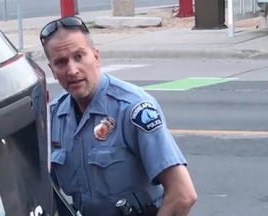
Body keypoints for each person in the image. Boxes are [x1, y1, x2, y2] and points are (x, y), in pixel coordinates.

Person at [40, 15, 197, 216]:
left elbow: (183, 195)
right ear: (52, 70)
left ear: (96, 57)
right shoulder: (54, 116)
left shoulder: (133, 108)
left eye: (79, 56)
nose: (72, 70)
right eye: (61, 62)